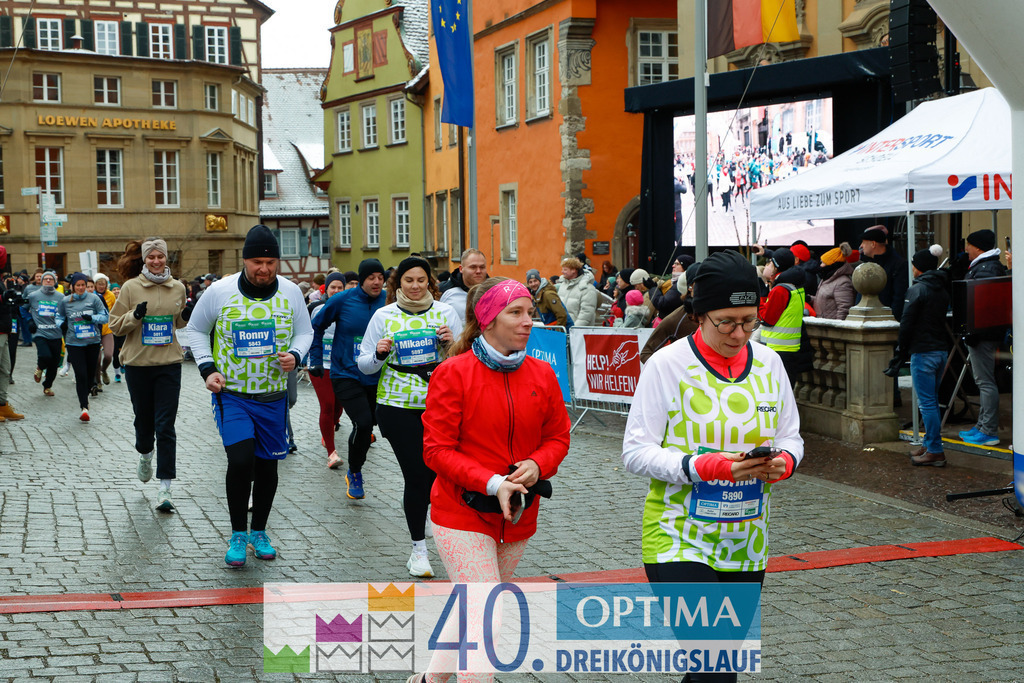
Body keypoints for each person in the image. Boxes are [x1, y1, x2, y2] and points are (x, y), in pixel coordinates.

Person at [622, 250, 803, 683]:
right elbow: (635, 451)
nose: (740, 333)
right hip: (678, 537)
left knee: (713, 669)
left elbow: (791, 436)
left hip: (745, 540)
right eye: (727, 321)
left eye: (749, 321)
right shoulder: (667, 365)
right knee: (715, 666)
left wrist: (784, 462)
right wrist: (708, 466)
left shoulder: (770, 363)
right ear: (698, 315)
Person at [411, 278, 570, 682]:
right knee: (488, 613)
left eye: (530, 313)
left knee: (473, 605)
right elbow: (436, 451)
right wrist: (493, 482)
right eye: (515, 313)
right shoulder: (453, 373)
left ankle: (429, 680)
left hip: (518, 515)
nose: (527, 321)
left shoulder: (542, 374)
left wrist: (537, 464)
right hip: (460, 512)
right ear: (486, 320)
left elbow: (558, 437)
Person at [186, 225, 313, 567]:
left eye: (271, 262)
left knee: (268, 466)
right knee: (241, 461)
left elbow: (305, 331)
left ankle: (260, 531)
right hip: (234, 395)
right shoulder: (220, 291)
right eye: (257, 261)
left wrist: (296, 356)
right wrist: (208, 368)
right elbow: (195, 330)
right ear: (244, 260)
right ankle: (238, 534)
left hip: (272, 396)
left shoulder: (289, 292)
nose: (264, 269)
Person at [357, 257, 462, 578]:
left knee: (437, 473)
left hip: (440, 406)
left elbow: (465, 361)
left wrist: (451, 344)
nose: (415, 287)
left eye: (421, 280)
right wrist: (378, 353)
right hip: (396, 406)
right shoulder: (383, 316)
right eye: (408, 281)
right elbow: (364, 365)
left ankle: (428, 512)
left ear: (430, 282)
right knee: (416, 475)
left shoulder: (445, 313)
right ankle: (418, 551)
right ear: (397, 284)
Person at [109, 238, 189, 510]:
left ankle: (165, 489)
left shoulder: (178, 288)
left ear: (167, 259)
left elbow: (178, 322)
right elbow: (115, 326)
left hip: (169, 364)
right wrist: (135, 315)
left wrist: (185, 315)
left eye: (161, 257)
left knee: (165, 426)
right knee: (144, 423)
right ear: (144, 260)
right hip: (138, 365)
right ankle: (145, 454)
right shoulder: (131, 288)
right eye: (151, 257)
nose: (156, 261)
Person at [310, 258, 387, 498]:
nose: (376, 282)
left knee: (370, 424)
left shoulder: (389, 301)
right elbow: (317, 326)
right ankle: (355, 472)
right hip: (346, 373)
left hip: (377, 375)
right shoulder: (341, 300)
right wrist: (315, 358)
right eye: (371, 277)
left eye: (380, 278)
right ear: (361, 280)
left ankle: (356, 463)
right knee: (362, 423)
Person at [887, 246, 950, 466]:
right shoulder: (941, 288)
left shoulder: (917, 290)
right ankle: (931, 444)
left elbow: (906, 324)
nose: (911, 267)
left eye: (914, 264)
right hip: (940, 349)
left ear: (919, 268)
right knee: (932, 401)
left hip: (923, 352)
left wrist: (899, 352)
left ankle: (934, 449)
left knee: (927, 404)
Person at [957, 229, 1008, 447]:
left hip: (983, 336)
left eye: (968, 245)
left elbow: (984, 306)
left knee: (985, 382)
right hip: (984, 334)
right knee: (984, 381)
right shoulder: (987, 266)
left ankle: (988, 430)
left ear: (977, 247)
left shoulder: (986, 268)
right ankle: (982, 426)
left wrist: (972, 333)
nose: (966, 249)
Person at [56, 272, 108, 421]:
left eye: (83, 285)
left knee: (90, 374)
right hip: (74, 342)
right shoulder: (65, 301)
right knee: (81, 374)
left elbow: (105, 317)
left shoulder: (94, 299)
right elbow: (58, 316)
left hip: (92, 342)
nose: (80, 288)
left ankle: (85, 395)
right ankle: (84, 407)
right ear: (72, 286)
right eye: (77, 285)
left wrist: (92, 318)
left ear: (86, 286)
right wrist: (62, 324)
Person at [308, 272, 347, 469]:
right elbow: (309, 334)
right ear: (327, 289)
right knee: (328, 405)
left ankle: (329, 429)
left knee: (339, 407)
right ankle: (332, 453)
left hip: (341, 365)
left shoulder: (350, 308)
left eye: (341, 288)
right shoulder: (316, 308)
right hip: (320, 364)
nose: (337, 291)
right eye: (333, 287)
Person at [759, 247, 813, 387]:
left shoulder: (780, 289)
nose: (767, 265)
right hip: (790, 349)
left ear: (776, 267)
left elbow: (767, 319)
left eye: (770, 262)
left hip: (777, 350)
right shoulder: (795, 286)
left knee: (774, 394)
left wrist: (760, 298)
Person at [859, 225, 908, 321]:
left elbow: (899, 297)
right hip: (868, 320)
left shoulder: (898, 264)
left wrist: (891, 321)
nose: (861, 246)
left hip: (886, 323)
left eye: (864, 242)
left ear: (873, 244)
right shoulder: (867, 264)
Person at [28, 271, 63, 397]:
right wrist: (29, 320)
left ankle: (47, 386)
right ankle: (40, 367)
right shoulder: (33, 296)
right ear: (42, 281)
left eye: (51, 279)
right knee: (45, 356)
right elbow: (23, 308)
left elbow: (65, 313)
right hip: (40, 332)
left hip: (56, 333)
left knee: (54, 363)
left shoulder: (60, 297)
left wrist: (64, 325)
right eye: (46, 279)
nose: (48, 281)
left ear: (54, 281)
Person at [439, 248, 488, 323]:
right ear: (461, 269)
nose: (478, 271)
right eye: (473, 267)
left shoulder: (493, 291)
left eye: (482, 267)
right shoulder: (444, 291)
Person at [810, 243, 855, 320]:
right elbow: (826, 301)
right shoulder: (827, 278)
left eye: (824, 263)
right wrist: (810, 299)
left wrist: (837, 330)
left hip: (831, 329)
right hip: (823, 327)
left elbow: (844, 310)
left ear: (832, 264)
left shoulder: (843, 282)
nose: (821, 265)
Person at [557, 256, 598, 326]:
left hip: (579, 333)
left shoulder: (587, 289)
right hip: (563, 330)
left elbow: (586, 313)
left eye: (565, 270)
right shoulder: (562, 286)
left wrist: (574, 329)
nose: (562, 272)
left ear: (573, 270)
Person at [93, 273, 116, 387]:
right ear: (95, 285)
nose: (101, 286)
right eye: (99, 284)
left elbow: (116, 310)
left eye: (104, 284)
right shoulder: (91, 296)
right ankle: (98, 382)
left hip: (107, 330)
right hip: (94, 331)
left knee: (108, 355)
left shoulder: (111, 295)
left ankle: (104, 370)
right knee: (97, 359)